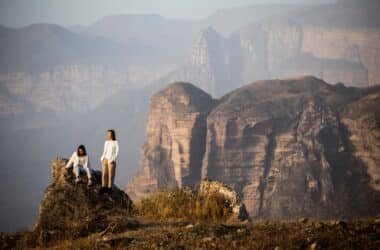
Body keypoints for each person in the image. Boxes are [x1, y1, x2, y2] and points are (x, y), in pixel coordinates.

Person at [100, 129, 119, 194]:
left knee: (111, 175)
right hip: (105, 159)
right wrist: (102, 158)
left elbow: (117, 152)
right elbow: (104, 151)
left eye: (109, 134)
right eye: (107, 133)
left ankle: (109, 188)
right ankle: (103, 187)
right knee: (104, 174)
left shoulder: (115, 142)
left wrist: (113, 159)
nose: (107, 135)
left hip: (111, 160)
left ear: (112, 134)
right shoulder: (106, 142)